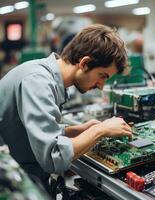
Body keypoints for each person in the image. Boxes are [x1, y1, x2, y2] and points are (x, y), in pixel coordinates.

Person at [0, 24, 132, 194]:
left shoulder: (48, 77)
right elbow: (52, 158)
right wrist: (100, 130)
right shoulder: (37, 82)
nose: (101, 86)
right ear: (84, 63)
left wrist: (77, 130)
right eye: (102, 76)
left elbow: (35, 131)